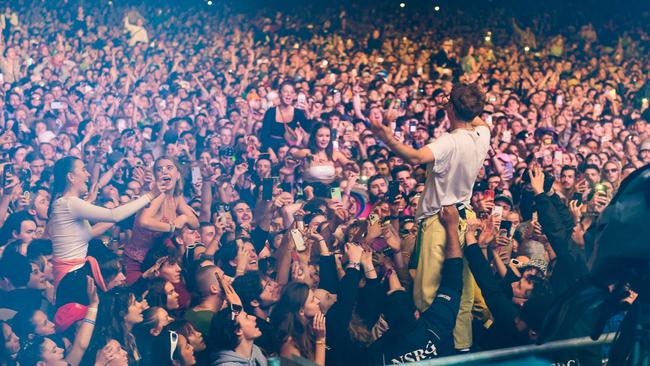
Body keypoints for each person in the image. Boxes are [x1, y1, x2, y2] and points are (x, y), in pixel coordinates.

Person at [370, 83, 491, 351]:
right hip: (464, 220)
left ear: (450, 106)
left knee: (429, 294)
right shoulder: (483, 135)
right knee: (462, 293)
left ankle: (431, 349)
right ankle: (461, 349)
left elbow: (414, 157)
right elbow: (479, 117)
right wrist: (462, 102)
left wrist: (386, 137)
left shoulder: (449, 142)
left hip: (441, 221)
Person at [47, 156, 162, 299]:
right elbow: (113, 215)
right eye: (83, 170)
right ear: (71, 177)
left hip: (73, 274)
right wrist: (150, 195)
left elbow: (91, 232)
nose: (88, 174)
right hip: (70, 276)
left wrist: (134, 204)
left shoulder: (67, 204)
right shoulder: (69, 203)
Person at [369, 205, 463, 364]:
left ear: (386, 321)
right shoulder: (436, 326)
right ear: (417, 313)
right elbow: (453, 278)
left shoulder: (379, 354)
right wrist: (452, 228)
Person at [124, 157, 199, 286]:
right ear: (155, 176)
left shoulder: (176, 197)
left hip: (160, 261)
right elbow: (143, 221)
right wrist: (172, 227)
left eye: (169, 168)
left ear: (177, 175)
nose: (164, 171)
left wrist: (184, 218)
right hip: (137, 262)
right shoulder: (156, 195)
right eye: (159, 169)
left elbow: (195, 223)